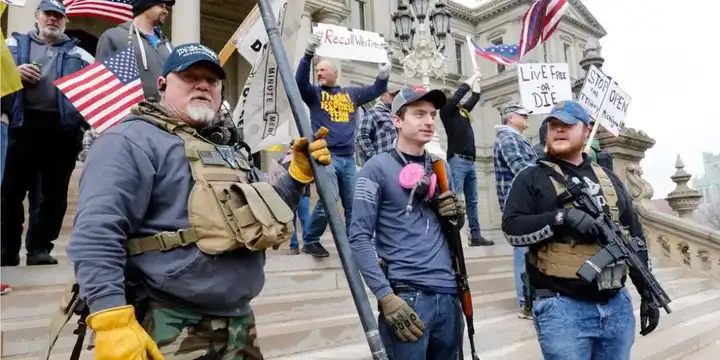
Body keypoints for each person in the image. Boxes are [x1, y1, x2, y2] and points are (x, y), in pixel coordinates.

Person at [65, 43, 332, 359]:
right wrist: (110, 319)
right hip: (166, 322)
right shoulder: (129, 141)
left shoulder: (230, 151)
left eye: (212, 80)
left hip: (238, 323)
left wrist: (297, 176)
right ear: (163, 85)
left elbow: (270, 213)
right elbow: (97, 233)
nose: (203, 85)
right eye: (191, 76)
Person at [501, 100, 660, 360]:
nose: (559, 130)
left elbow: (635, 238)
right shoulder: (531, 177)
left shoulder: (610, 178)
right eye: (553, 126)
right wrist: (562, 218)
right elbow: (512, 228)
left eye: (567, 125)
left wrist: (647, 293)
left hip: (616, 305)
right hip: (562, 308)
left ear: (586, 131)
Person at [349, 86, 466, 359]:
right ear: (397, 121)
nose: (428, 121)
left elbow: (452, 230)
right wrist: (385, 297)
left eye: (432, 115)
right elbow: (358, 237)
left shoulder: (440, 167)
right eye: (419, 114)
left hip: (448, 294)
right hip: (407, 296)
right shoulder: (375, 168)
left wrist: (456, 216)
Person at [1, 0, 93, 266]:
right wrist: (12, 73)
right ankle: (6, 248)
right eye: (48, 15)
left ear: (65, 21)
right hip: (21, 124)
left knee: (53, 195)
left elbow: (92, 93)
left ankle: (40, 248)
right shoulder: (11, 46)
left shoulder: (82, 55)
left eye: (58, 16)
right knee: (10, 191)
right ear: (36, 17)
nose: (53, 20)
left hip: (62, 130)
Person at [295, 32, 390, 257]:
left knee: (352, 203)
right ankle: (310, 240)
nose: (318, 73)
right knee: (330, 197)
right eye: (317, 70)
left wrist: (384, 73)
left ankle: (352, 244)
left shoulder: (352, 94)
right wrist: (308, 55)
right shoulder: (314, 94)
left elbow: (377, 89)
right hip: (325, 155)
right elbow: (299, 82)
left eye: (323, 70)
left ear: (335, 74)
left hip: (348, 159)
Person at [492, 102, 538, 318]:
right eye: (522, 115)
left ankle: (531, 298)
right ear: (510, 118)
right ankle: (526, 301)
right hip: (519, 205)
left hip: (525, 203)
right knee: (523, 252)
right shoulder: (507, 138)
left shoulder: (515, 138)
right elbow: (520, 168)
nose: (526, 118)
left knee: (528, 251)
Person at [440, 70, 493, 247]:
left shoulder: (462, 112)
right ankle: (456, 232)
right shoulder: (446, 111)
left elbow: (475, 97)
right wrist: (470, 80)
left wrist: (477, 81)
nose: (454, 99)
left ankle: (475, 234)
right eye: (451, 97)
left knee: (472, 200)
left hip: (470, 161)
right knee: (457, 197)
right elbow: (460, 93)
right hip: (457, 160)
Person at [96, 0, 174, 102]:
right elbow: (102, 82)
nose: (166, 11)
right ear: (145, 5)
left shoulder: (168, 46)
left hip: (167, 114)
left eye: (166, 7)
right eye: (161, 6)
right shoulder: (114, 37)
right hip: (132, 114)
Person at [281, 144, 312, 255]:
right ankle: (306, 244)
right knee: (302, 218)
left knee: (299, 219)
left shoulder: (285, 161)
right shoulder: (304, 159)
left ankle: (298, 246)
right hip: (298, 194)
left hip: (296, 194)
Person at [357, 89, 399, 163]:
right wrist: (373, 157)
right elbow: (362, 136)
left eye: (396, 95)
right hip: (382, 162)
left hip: (398, 161)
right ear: (383, 96)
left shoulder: (397, 115)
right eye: (392, 95)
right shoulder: (372, 113)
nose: (394, 98)